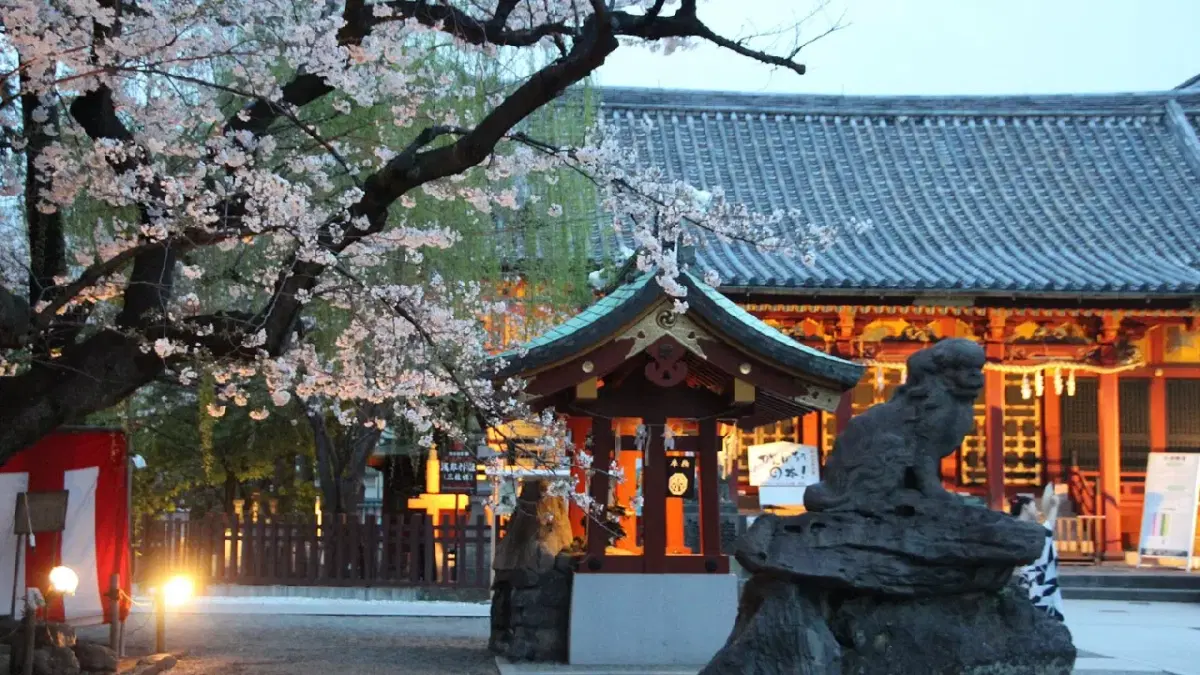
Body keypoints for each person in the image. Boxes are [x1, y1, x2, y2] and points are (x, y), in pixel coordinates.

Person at [1009, 484, 1065, 622]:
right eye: (1034, 506)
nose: (1037, 510)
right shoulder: (1022, 528)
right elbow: (1047, 531)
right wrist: (1054, 507)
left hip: (1029, 577)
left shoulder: (1014, 526)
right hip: (1035, 577)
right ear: (1026, 507)